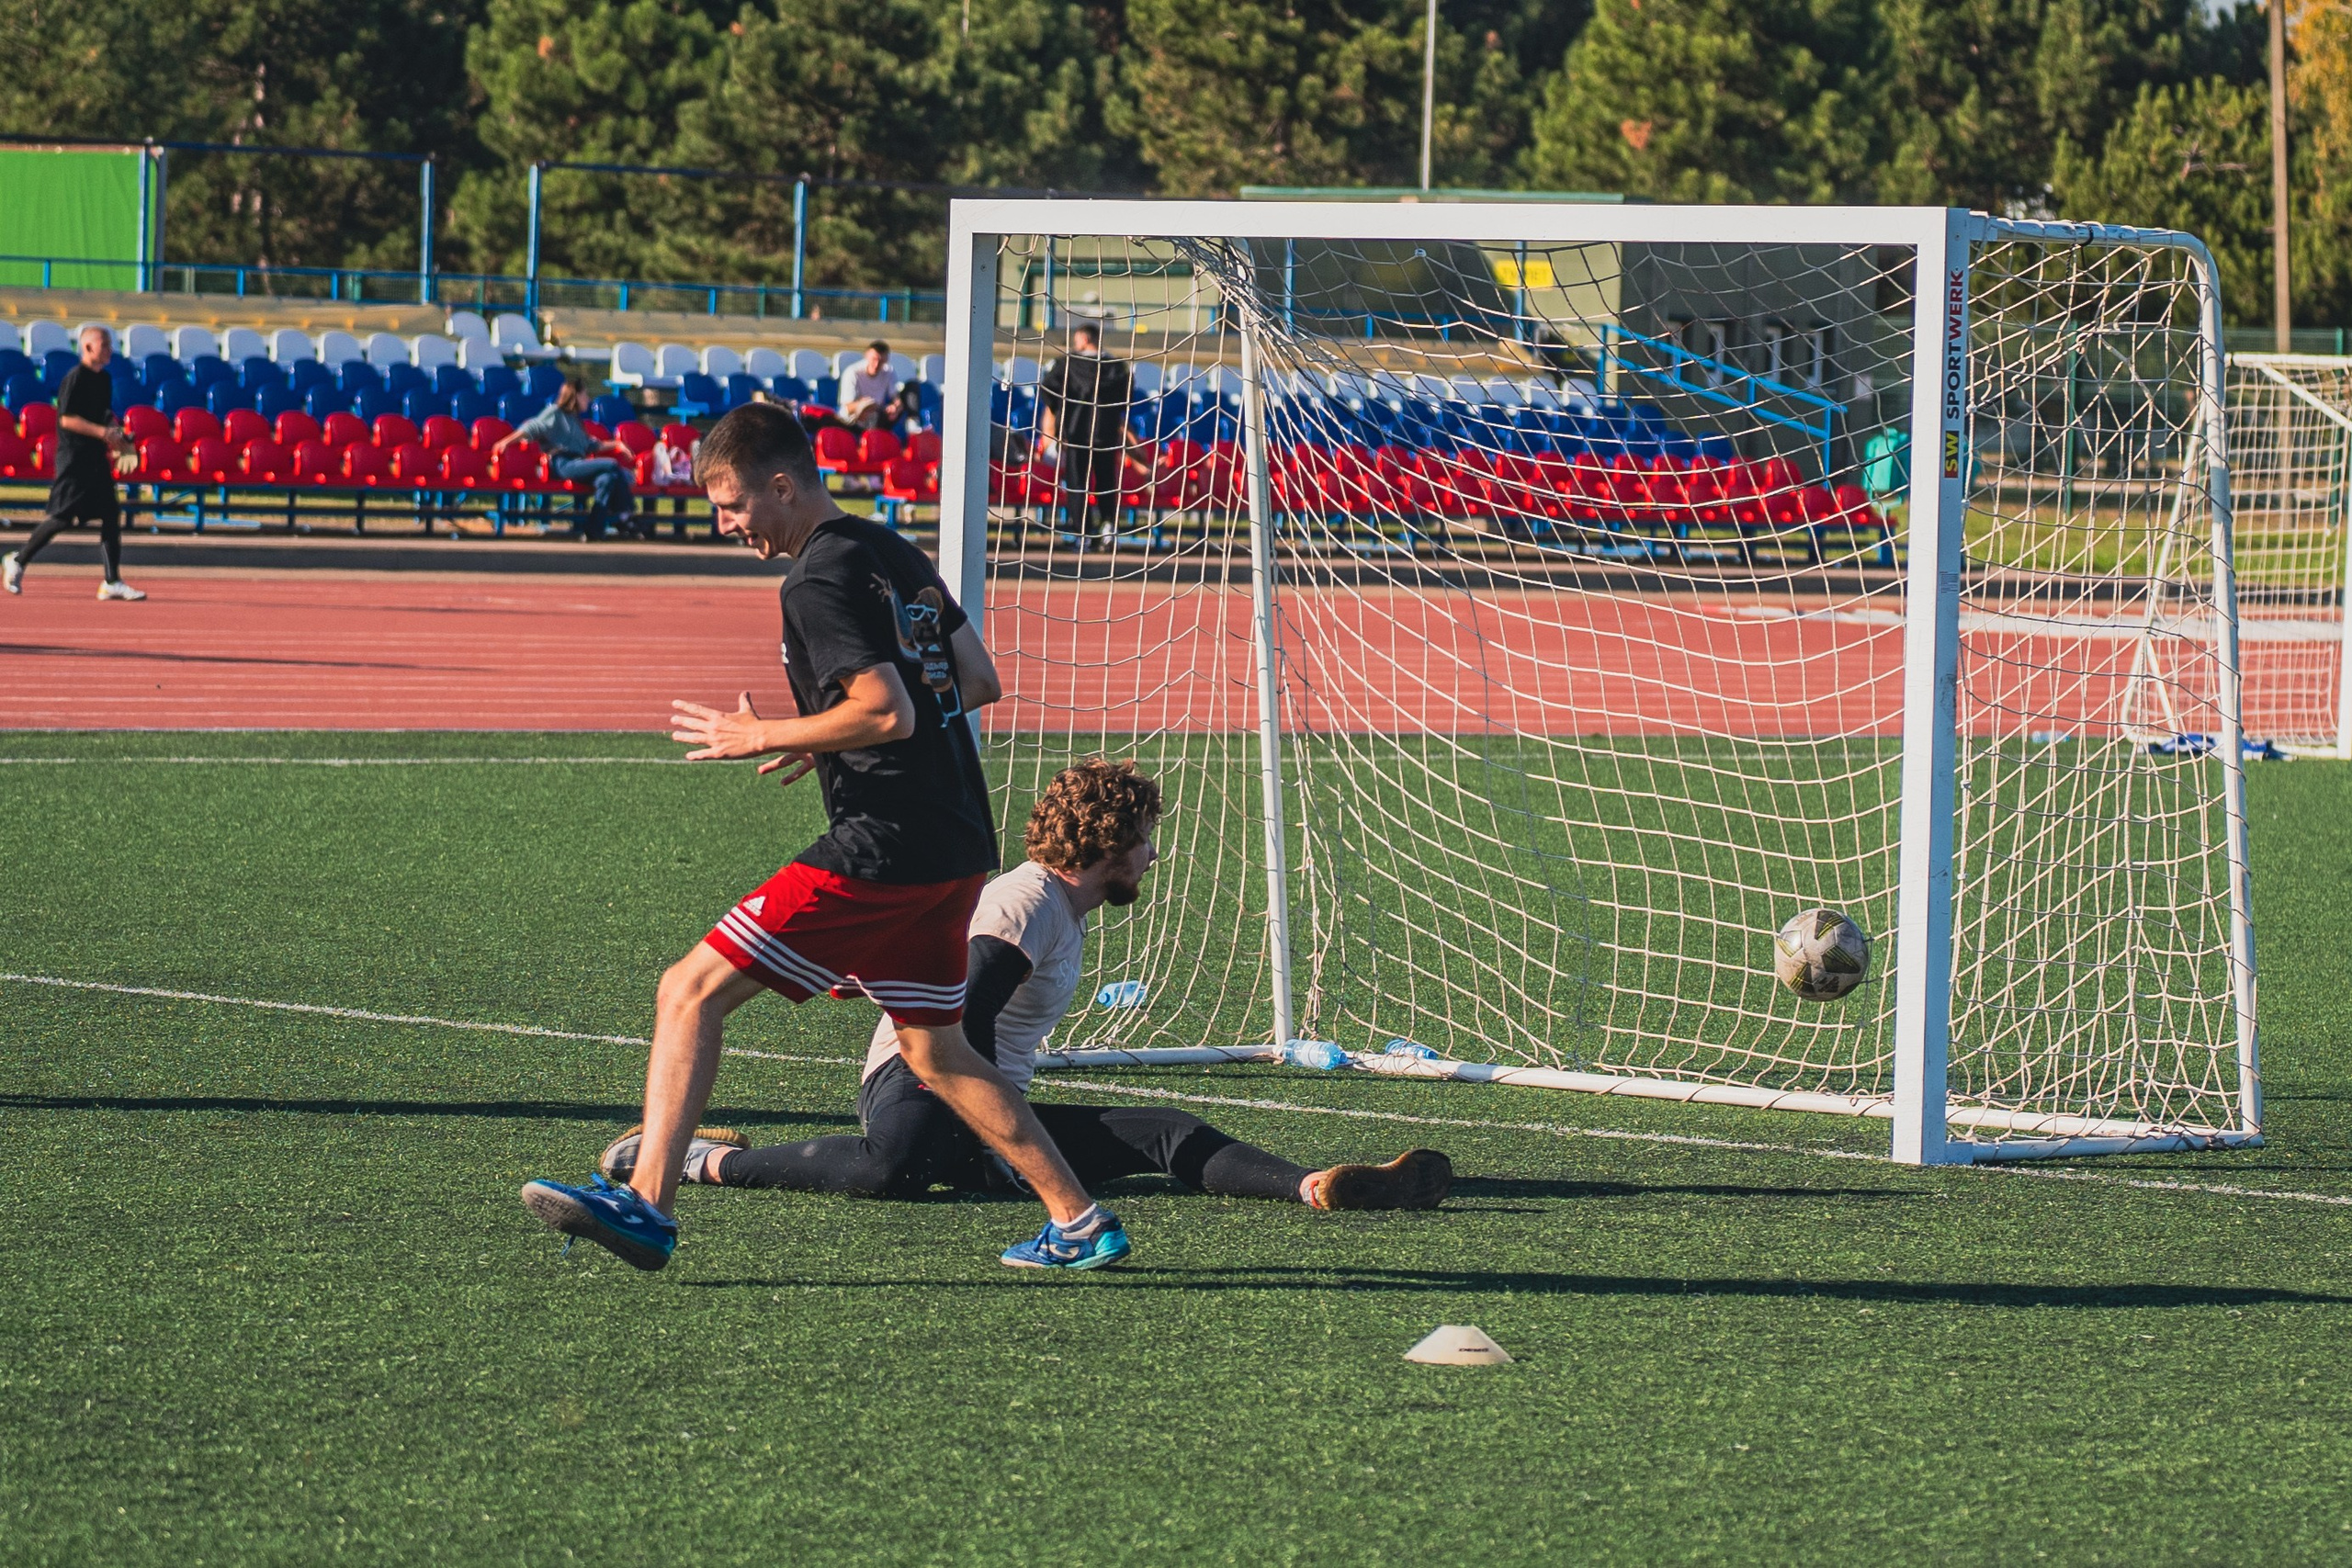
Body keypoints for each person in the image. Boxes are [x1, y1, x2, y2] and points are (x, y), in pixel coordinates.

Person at [520, 402, 1132, 1273]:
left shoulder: (812, 577)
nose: (726, 525)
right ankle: (1079, 1219)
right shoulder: (890, 547)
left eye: (732, 506)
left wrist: (766, 734)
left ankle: (648, 1205)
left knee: (689, 991)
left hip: (883, 847)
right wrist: (830, 736)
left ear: (781, 484)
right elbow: (977, 680)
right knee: (935, 1047)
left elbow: (886, 708)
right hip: (958, 842)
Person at [597, 761, 1455, 1213]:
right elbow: (950, 1025)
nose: (1153, 856)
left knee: (1162, 1132)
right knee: (894, 1166)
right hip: (919, 1083)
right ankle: (703, 1158)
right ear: (1112, 846)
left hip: (986, 1099)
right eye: (1147, 841)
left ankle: (1315, 1185)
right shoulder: (1031, 902)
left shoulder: (1053, 905)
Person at [6, 325, 142, 600]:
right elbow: (67, 419)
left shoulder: (103, 378)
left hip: (95, 459)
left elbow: (103, 413)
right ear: (88, 347)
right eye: (104, 345)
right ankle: (18, 560)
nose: (109, 350)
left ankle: (111, 581)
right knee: (61, 518)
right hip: (74, 459)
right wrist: (103, 433)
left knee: (110, 514)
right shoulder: (75, 377)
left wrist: (117, 434)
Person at [490, 381, 640, 538]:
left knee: (607, 479)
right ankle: (625, 516)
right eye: (585, 395)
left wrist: (617, 444)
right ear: (575, 396)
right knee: (612, 465)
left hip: (578, 462)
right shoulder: (555, 412)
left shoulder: (575, 420)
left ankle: (593, 531)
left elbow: (589, 445)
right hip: (562, 463)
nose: (588, 400)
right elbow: (532, 427)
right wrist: (506, 441)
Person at [1036, 321, 1135, 545]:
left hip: (1076, 432)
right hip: (1105, 433)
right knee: (1106, 481)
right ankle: (1108, 525)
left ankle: (1083, 531)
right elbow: (1127, 397)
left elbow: (1048, 391)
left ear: (1084, 339)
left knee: (1077, 482)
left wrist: (1060, 414)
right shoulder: (1117, 367)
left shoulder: (1067, 364)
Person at [836, 341, 900, 431]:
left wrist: (895, 407)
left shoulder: (889, 372)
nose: (876, 364)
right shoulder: (852, 373)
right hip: (852, 421)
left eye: (881, 361)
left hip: (876, 415)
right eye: (874, 359)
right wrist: (863, 405)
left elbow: (896, 398)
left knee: (912, 386)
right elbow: (848, 407)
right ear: (866, 356)